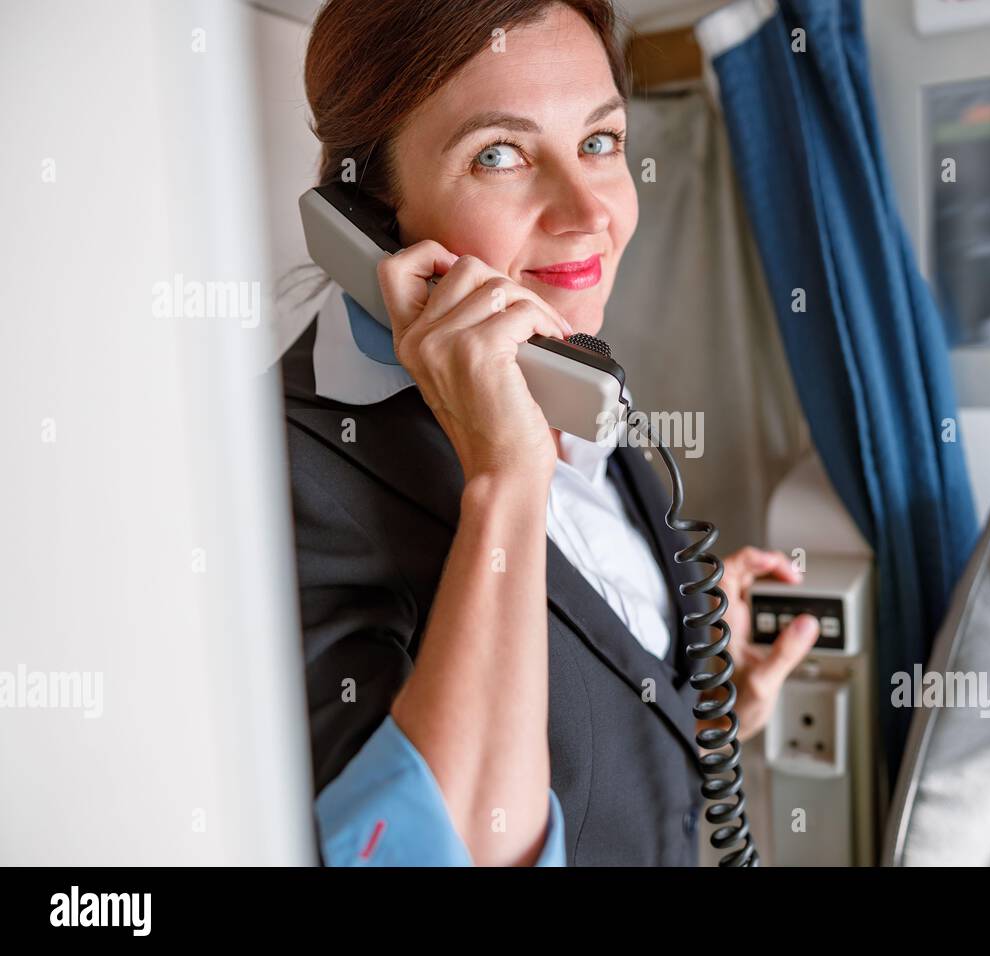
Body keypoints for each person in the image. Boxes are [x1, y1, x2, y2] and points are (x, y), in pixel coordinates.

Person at [279, 0, 820, 867]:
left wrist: (710, 702)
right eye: (500, 154)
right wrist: (504, 482)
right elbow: (418, 852)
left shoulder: (568, 369)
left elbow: (587, 722)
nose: (586, 212)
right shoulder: (283, 480)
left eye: (600, 142)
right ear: (370, 212)